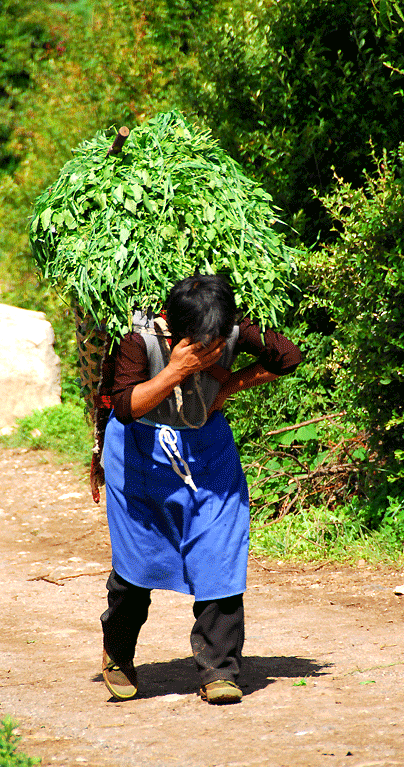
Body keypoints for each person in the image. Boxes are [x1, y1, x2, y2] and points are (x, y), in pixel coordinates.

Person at [92, 274, 302, 704]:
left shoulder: (227, 324)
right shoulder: (139, 335)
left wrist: (228, 383)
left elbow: (287, 357)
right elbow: (127, 407)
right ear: (173, 322)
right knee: (138, 561)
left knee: (220, 552)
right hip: (140, 453)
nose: (212, 343)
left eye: (218, 337)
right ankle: (118, 653)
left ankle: (219, 669)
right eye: (200, 338)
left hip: (206, 452)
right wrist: (176, 370)